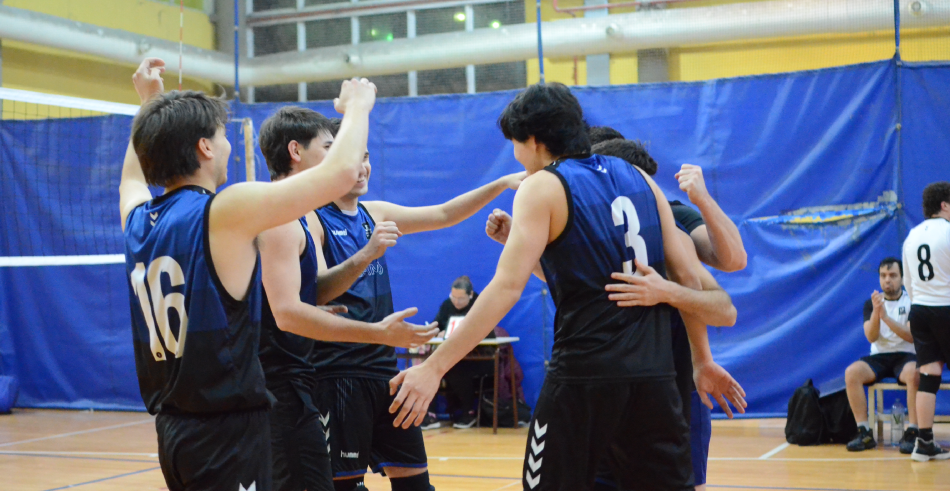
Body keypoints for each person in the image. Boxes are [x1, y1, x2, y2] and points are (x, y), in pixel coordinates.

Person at [388, 83, 742, 491]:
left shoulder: (542, 186)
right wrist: (701, 359)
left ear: (535, 141)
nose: (516, 157)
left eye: (516, 146)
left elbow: (505, 288)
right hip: (654, 379)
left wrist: (434, 367)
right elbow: (690, 280)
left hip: (584, 379)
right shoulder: (640, 179)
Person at [119, 58, 376, 490]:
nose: (228, 146)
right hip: (226, 433)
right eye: (221, 137)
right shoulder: (224, 211)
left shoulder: (137, 218)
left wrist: (149, 104)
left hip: (172, 431)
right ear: (204, 147)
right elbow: (340, 174)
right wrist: (358, 108)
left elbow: (131, 174)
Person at [487, 135, 746, 491]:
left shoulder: (665, 221)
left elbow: (728, 286)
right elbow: (583, 287)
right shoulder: (589, 226)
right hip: (615, 386)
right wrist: (519, 245)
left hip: (668, 386)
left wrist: (695, 346)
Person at [306, 126, 525, 490]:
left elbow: (442, 214)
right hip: (336, 374)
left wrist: (499, 184)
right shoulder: (312, 218)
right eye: (352, 158)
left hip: (386, 373)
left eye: (366, 157)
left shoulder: (374, 212)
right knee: (344, 485)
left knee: (416, 486)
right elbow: (316, 292)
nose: (362, 167)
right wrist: (369, 251)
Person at [255, 106, 438, 491]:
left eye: (360, 157)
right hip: (309, 379)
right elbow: (288, 313)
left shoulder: (302, 214)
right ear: (296, 151)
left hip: (328, 377)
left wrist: (500, 184)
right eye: (332, 149)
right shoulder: (285, 215)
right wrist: (377, 331)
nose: (349, 164)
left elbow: (316, 291)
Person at [842, 258, 918, 453]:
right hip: (880, 356)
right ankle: (864, 432)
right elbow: (871, 336)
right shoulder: (871, 304)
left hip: (906, 355)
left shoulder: (912, 302)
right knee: (852, 373)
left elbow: (910, 336)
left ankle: (913, 431)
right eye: (883, 276)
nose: (887, 280)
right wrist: (877, 313)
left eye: (893, 275)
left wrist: (886, 317)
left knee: (914, 374)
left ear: (902, 278)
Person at [902, 181, 950, 462]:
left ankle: (924, 443)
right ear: (944, 205)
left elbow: (908, 282)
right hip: (946, 307)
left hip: (919, 310)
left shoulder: (911, 236)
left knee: (929, 377)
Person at [420, 275, 495, 430]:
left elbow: (489, 334)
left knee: (457, 370)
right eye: (454, 297)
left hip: (480, 358)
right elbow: (437, 325)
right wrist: (437, 333)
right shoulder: (447, 305)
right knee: (431, 368)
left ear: (471, 295)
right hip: (454, 357)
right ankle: (430, 415)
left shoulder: (481, 305)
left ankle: (468, 413)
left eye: (461, 299)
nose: (456, 302)